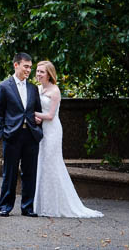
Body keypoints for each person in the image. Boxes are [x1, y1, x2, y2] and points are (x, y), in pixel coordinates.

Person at [33, 60, 103, 217]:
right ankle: (41, 205)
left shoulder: (55, 91)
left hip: (52, 131)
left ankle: (56, 205)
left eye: (42, 72)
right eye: (37, 71)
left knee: (51, 164)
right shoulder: (37, 89)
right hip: (41, 130)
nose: (38, 74)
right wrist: (36, 118)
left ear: (49, 74)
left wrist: (33, 115)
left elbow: (50, 116)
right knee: (42, 164)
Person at [0, 52, 43, 217]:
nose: (29, 70)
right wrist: (2, 133)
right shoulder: (4, 86)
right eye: (26, 66)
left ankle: (27, 207)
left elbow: (38, 111)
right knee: (9, 172)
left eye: (30, 67)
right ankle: (5, 207)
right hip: (12, 136)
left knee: (30, 173)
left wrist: (38, 128)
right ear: (16, 65)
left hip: (30, 136)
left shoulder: (33, 88)